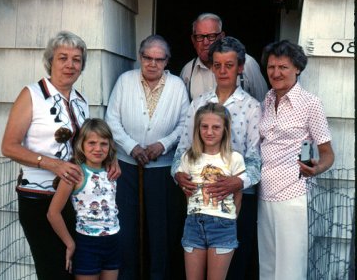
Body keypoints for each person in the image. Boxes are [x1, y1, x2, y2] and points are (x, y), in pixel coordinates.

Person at [1, 31, 120, 280]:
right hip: (38, 198)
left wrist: (112, 159)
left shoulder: (80, 100)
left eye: (76, 60)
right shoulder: (31, 95)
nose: (70, 64)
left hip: (71, 200)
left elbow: (88, 144)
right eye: (63, 57)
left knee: (73, 270)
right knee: (53, 270)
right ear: (51, 61)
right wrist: (51, 164)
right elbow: (9, 146)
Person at [172, 36, 262, 280]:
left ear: (240, 67)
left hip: (237, 200)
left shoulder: (252, 107)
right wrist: (177, 175)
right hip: (199, 200)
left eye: (229, 65)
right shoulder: (200, 104)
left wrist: (238, 182)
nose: (223, 71)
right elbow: (182, 149)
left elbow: (255, 159)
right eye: (218, 65)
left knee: (234, 269)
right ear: (211, 67)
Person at [105, 34, 189, 280]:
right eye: (147, 58)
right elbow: (112, 120)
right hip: (126, 166)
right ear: (140, 57)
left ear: (167, 61)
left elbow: (185, 124)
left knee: (159, 230)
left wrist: (163, 144)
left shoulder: (177, 86)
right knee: (127, 228)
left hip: (162, 169)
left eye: (159, 59)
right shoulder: (125, 81)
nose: (152, 64)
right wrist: (131, 146)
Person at [258, 40, 334, 280]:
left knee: (290, 269)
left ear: (297, 69)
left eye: (283, 67)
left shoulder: (310, 104)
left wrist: (316, 169)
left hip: (293, 195)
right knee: (268, 266)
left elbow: (327, 153)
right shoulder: (267, 101)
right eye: (271, 67)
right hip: (265, 193)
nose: (276, 73)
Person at [178, 103, 245, 280]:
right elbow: (187, 191)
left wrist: (230, 218)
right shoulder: (188, 157)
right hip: (193, 225)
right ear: (197, 128)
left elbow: (238, 194)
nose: (209, 132)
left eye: (216, 127)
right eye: (204, 126)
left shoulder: (234, 158)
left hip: (223, 226)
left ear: (225, 129)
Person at [48, 118, 120, 280]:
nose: (98, 148)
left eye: (104, 144)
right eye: (92, 143)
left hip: (113, 241)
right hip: (87, 244)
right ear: (81, 145)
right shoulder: (75, 174)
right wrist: (70, 243)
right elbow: (53, 213)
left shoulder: (112, 171)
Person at [181, 12, 268, 102]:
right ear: (193, 40)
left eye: (211, 36)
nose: (205, 42)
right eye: (199, 36)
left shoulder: (247, 64)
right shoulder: (188, 71)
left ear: (222, 36)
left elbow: (264, 104)